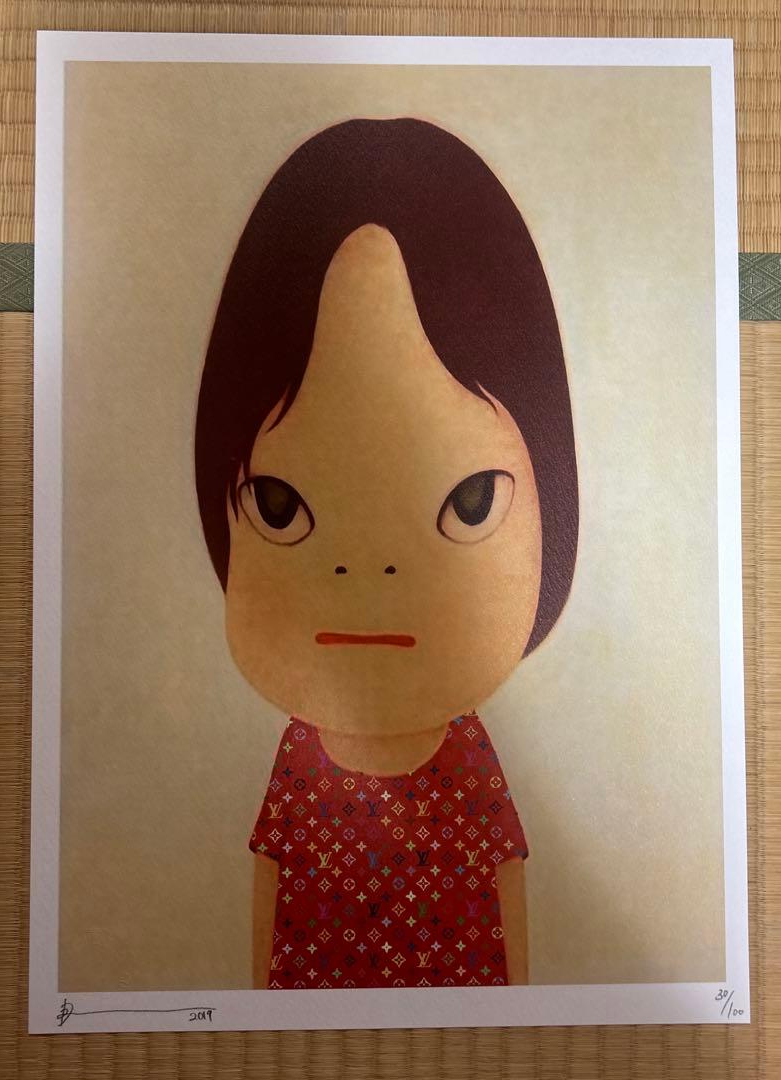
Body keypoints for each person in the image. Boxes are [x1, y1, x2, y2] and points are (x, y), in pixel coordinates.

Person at [194, 118, 578, 989]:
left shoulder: (470, 760)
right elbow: (269, 896)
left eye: (469, 502)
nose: (367, 574)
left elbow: (507, 894)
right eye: (281, 505)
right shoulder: (299, 763)